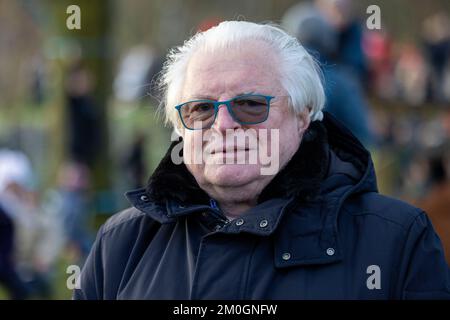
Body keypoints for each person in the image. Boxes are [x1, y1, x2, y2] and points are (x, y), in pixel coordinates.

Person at [74, 21, 450, 300]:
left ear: (303, 115)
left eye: (250, 105)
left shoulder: (396, 241)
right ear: (179, 127)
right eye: (201, 108)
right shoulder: (120, 245)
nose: (222, 125)